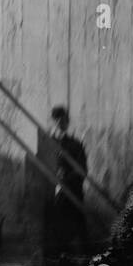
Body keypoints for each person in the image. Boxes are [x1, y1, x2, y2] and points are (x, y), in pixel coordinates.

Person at [46, 105, 88, 258]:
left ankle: (84, 256)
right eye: (57, 120)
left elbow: (82, 170)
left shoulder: (75, 145)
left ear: (67, 121)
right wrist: (54, 178)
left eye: (63, 120)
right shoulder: (47, 144)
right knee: (54, 223)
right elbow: (40, 167)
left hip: (72, 190)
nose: (60, 123)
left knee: (78, 222)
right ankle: (58, 255)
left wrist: (66, 179)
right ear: (52, 122)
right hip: (52, 191)